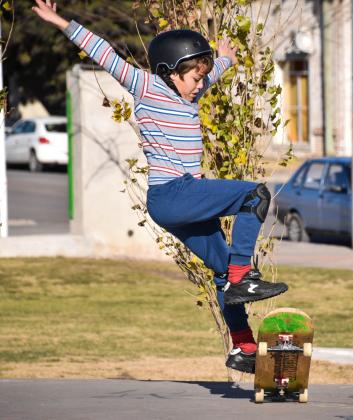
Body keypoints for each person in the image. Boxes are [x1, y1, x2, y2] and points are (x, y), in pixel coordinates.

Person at [31, 0, 288, 374]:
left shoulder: (191, 92)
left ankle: (243, 347)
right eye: (194, 78)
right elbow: (105, 52)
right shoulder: (147, 86)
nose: (200, 85)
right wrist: (60, 21)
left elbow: (211, 73)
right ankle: (242, 276)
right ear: (170, 72)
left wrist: (226, 58)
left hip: (179, 202)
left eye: (202, 79)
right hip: (174, 192)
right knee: (255, 194)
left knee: (220, 270)